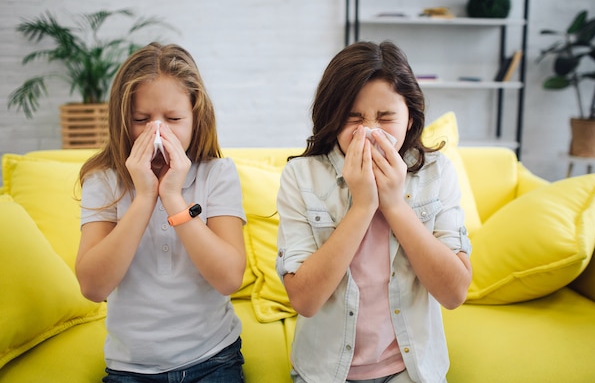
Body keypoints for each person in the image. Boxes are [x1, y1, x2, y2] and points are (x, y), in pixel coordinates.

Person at [275, 41, 472, 383]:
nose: (368, 130)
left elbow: (454, 293)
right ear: (332, 119)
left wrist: (394, 203)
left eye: (385, 117)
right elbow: (304, 300)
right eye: (353, 117)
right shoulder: (301, 176)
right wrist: (363, 205)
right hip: (324, 371)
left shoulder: (437, 173)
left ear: (410, 119)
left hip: (412, 371)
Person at [76, 42, 247, 383]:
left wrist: (172, 197)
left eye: (173, 119)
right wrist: (143, 199)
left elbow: (229, 279)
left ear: (196, 117)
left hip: (214, 359)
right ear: (123, 120)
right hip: (131, 368)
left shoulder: (217, 173)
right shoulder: (103, 180)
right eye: (141, 120)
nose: (157, 133)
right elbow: (93, 287)